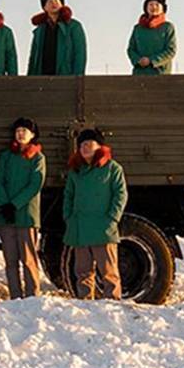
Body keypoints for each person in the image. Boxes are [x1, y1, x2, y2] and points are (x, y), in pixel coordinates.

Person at [64, 128, 127, 300]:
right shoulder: (75, 171)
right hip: (80, 227)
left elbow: (120, 194)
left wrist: (112, 218)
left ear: (99, 146)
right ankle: (85, 304)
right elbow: (68, 195)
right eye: (82, 144)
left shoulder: (112, 168)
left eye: (89, 143)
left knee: (108, 271)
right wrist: (69, 217)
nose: (85, 148)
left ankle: (113, 303)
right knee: (82, 271)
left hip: (103, 227)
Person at [0, 117, 46, 299]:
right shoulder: (6, 157)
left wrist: (14, 204)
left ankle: (32, 295)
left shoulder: (37, 158)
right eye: (18, 131)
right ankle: (15, 295)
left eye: (25, 131)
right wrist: (4, 204)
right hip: (6, 216)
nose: (21, 134)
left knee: (28, 258)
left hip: (26, 215)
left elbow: (35, 184)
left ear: (32, 135)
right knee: (10, 259)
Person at [27, 0, 87, 75]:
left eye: (56, 1)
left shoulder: (74, 26)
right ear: (45, 8)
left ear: (62, 5)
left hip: (65, 76)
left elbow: (80, 54)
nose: (53, 3)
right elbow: (33, 57)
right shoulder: (39, 31)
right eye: (50, 2)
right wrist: (31, 79)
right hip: (42, 78)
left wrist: (77, 77)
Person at [126, 0, 177, 75]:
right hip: (139, 74)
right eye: (150, 4)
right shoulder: (138, 29)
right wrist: (138, 60)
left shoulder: (167, 27)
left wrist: (151, 60)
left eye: (157, 4)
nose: (153, 7)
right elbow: (131, 49)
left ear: (163, 8)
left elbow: (171, 50)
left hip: (161, 73)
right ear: (146, 7)